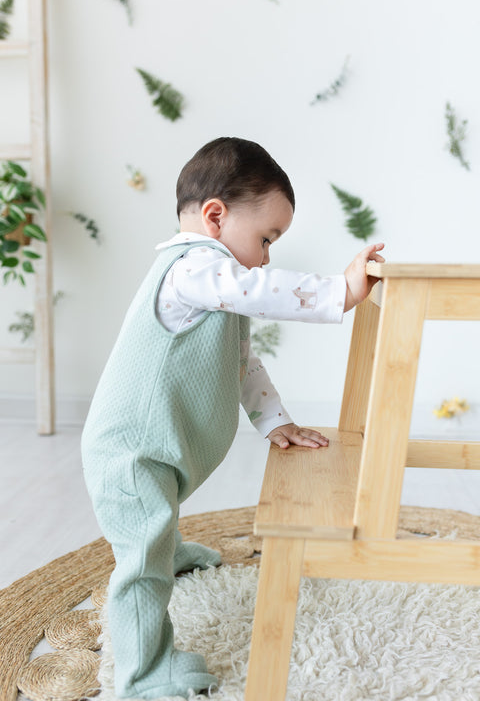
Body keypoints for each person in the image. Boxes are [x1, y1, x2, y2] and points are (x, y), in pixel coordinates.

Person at [81, 137, 385, 699]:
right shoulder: (192, 268)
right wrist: (337, 291)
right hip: (128, 453)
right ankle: (141, 676)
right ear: (215, 217)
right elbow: (260, 289)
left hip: (155, 448)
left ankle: (168, 549)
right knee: (139, 565)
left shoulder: (213, 287)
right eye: (266, 238)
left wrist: (275, 422)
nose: (267, 255)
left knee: (158, 522)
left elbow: (241, 361)